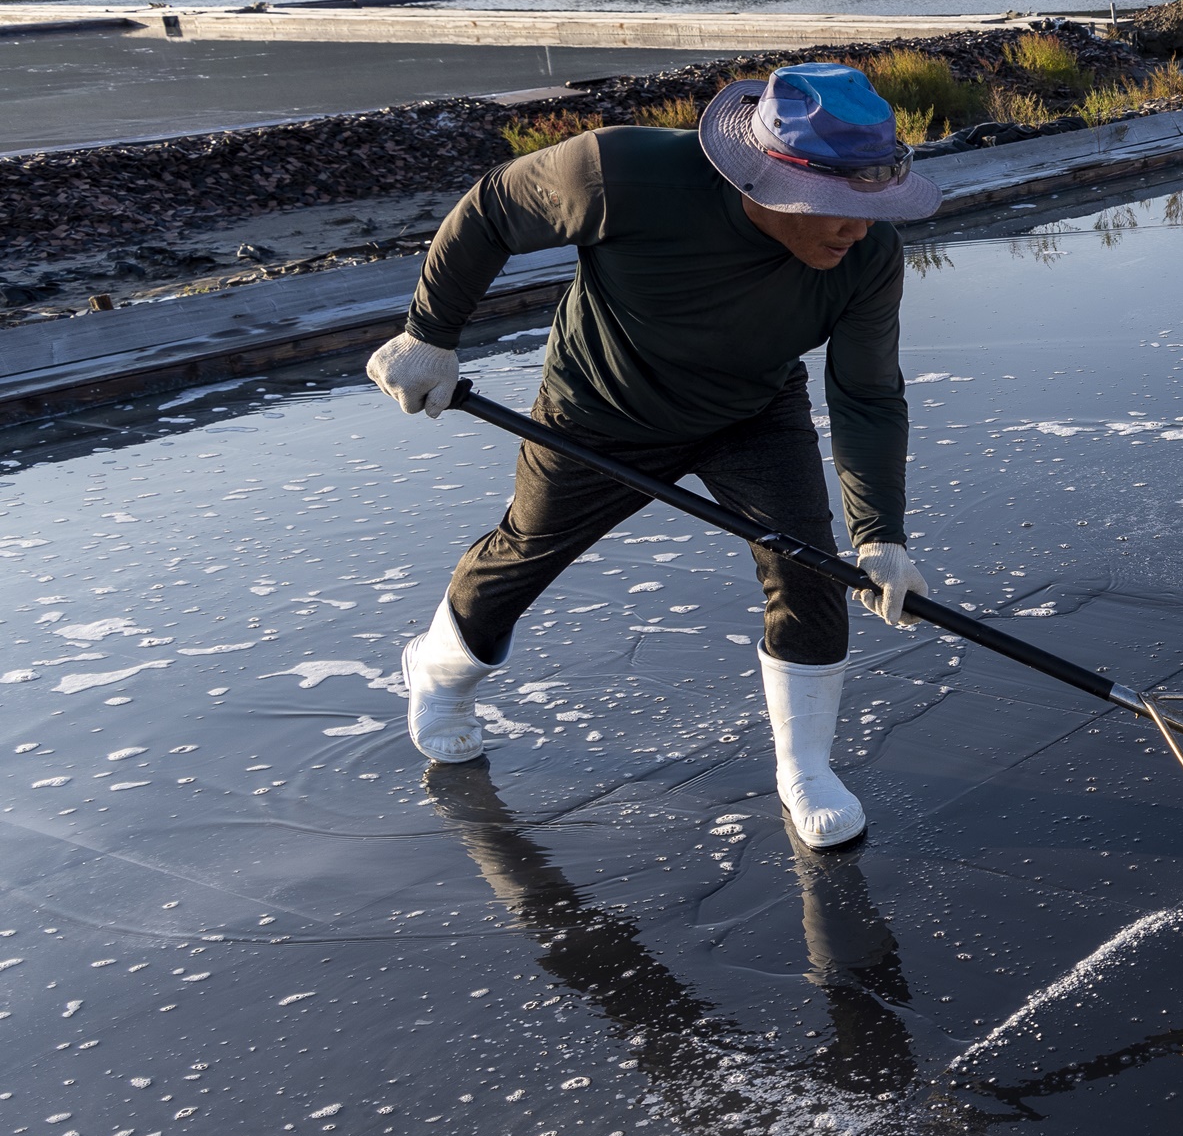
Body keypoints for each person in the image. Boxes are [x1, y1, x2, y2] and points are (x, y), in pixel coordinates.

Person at [365, 62, 940, 849]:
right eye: (836, 208)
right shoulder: (621, 174)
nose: (858, 228)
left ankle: (804, 767)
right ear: (767, 180)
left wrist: (880, 535)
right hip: (602, 408)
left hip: (751, 411)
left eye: (872, 209)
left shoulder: (868, 256)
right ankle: (436, 673)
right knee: (526, 551)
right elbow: (495, 207)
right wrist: (430, 332)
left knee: (809, 567)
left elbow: (867, 394)